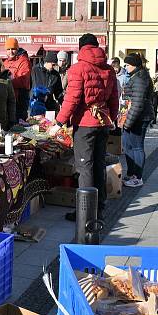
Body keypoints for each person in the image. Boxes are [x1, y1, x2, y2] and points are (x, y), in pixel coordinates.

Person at [48, 34, 118, 221]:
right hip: (103, 122)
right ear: (96, 46)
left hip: (85, 124)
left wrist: (59, 122)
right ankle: (100, 207)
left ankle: (85, 214)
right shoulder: (109, 69)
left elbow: (72, 99)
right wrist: (113, 118)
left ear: (81, 48)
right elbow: (114, 98)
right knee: (99, 165)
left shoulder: (78, 68)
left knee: (84, 167)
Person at [121, 54, 154, 188]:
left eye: (128, 65)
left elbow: (138, 103)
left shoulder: (140, 78)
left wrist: (128, 123)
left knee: (137, 147)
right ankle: (131, 174)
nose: (126, 67)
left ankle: (138, 177)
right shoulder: (136, 76)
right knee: (127, 145)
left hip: (139, 118)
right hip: (133, 117)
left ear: (134, 65)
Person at [3, 38, 32, 121]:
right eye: (8, 49)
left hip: (19, 99)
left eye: (13, 49)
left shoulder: (24, 61)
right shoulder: (5, 62)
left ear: (17, 49)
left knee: (17, 124)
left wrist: (6, 82)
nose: (11, 52)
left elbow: (23, 80)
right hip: (7, 97)